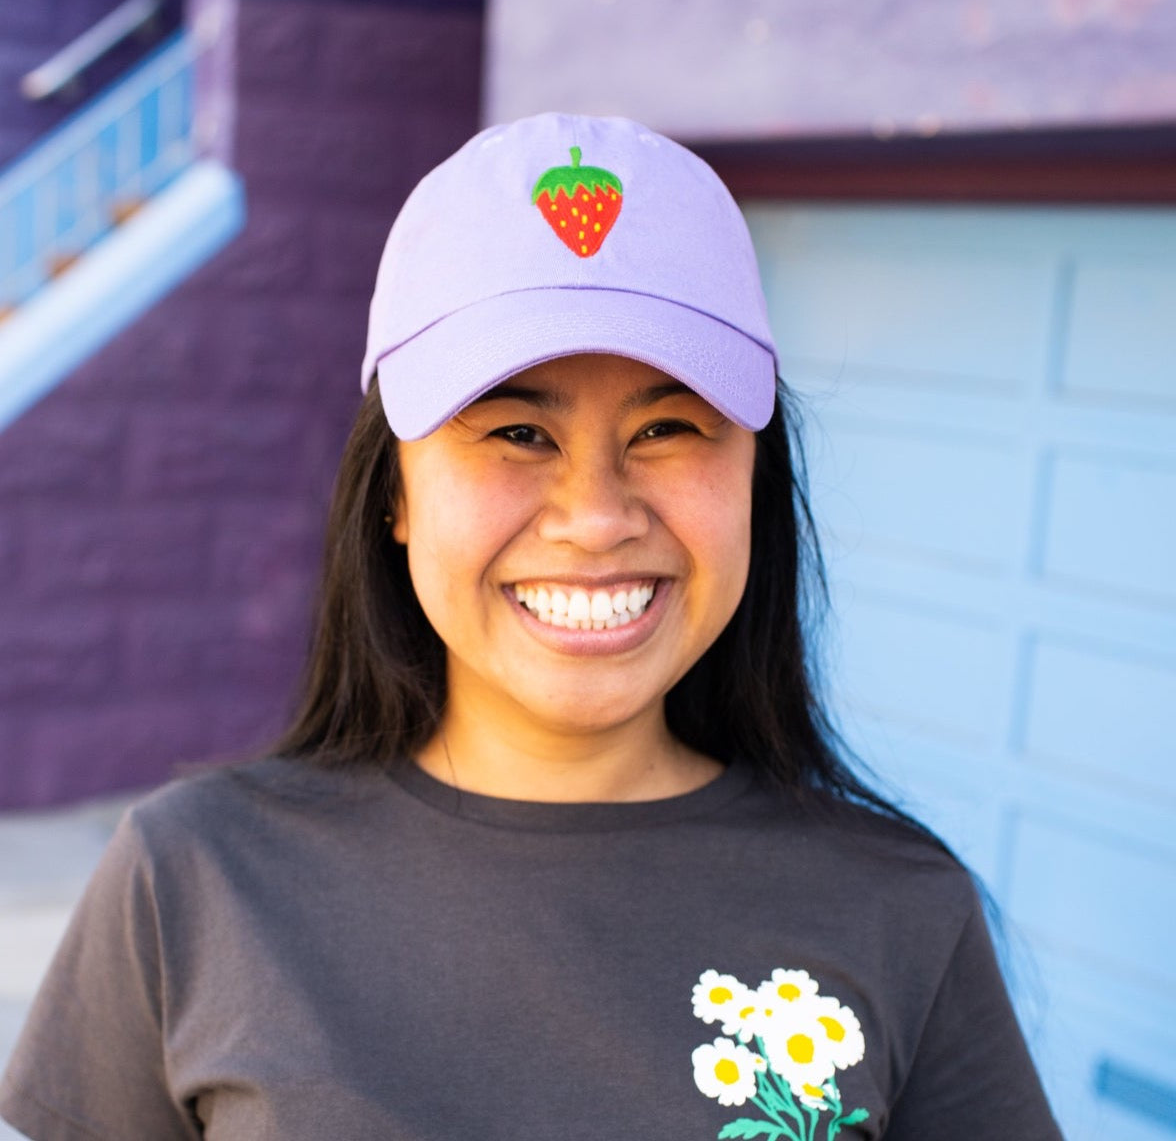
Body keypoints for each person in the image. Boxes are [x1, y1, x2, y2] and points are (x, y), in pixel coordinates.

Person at [0, 113, 1063, 1140]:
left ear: (755, 479)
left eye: (668, 427)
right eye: (516, 431)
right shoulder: (190, 880)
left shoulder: (902, 911)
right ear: (395, 493)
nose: (596, 518)